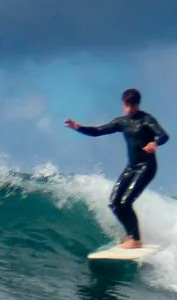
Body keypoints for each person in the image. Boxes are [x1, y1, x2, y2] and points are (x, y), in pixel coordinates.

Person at [66, 88, 170, 247]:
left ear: (137, 104)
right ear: (123, 104)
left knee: (126, 201)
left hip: (147, 167)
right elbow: (98, 131)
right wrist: (79, 127)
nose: (129, 109)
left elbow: (163, 135)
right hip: (132, 167)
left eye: (132, 105)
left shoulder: (146, 119)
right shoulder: (122, 122)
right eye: (126, 105)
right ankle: (130, 234)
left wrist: (154, 143)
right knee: (114, 202)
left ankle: (136, 239)